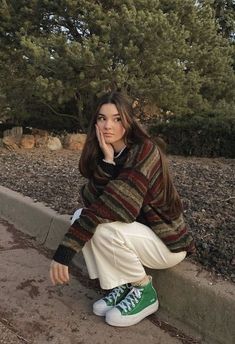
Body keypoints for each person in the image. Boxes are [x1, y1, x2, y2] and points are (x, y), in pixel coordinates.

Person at [50, 91, 195, 327]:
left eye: (117, 119)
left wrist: (65, 251)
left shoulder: (145, 150)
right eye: (102, 118)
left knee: (104, 228)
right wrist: (107, 163)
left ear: (129, 121)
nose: (108, 125)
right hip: (137, 235)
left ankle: (144, 291)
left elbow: (116, 208)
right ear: (95, 122)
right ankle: (122, 285)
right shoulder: (107, 153)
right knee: (80, 215)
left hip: (166, 243)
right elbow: (90, 200)